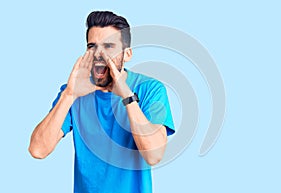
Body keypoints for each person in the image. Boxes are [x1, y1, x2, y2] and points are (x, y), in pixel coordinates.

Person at [28, 11, 175, 193]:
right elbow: (38, 150)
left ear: (127, 54)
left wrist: (127, 96)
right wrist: (69, 95)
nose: (99, 55)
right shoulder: (73, 92)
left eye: (108, 46)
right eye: (92, 46)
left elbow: (153, 155)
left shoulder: (150, 89)